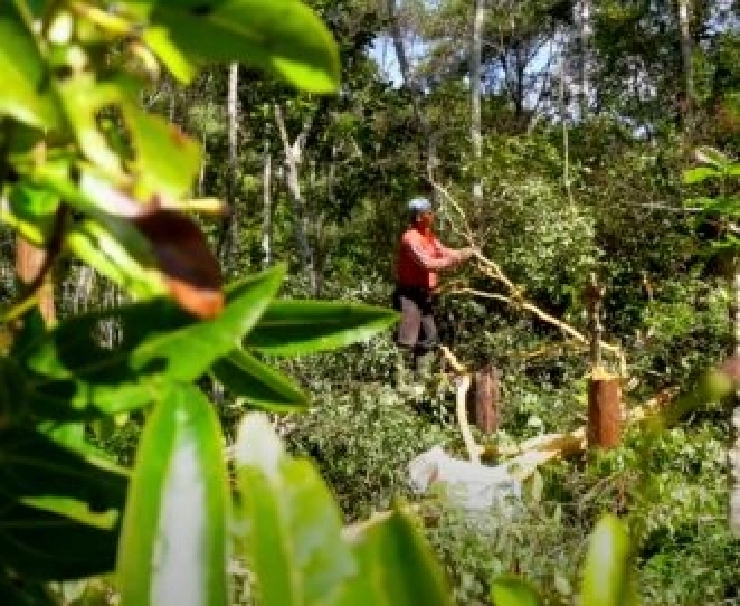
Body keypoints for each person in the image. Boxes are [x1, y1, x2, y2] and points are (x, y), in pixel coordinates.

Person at [392, 196, 478, 367]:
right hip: (409, 295)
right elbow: (428, 264)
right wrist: (458, 258)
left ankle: (420, 380)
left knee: (429, 338)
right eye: (429, 213)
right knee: (407, 341)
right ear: (419, 217)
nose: (432, 216)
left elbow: (443, 251)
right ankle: (400, 383)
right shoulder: (411, 239)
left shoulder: (428, 236)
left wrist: (467, 252)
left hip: (424, 295)